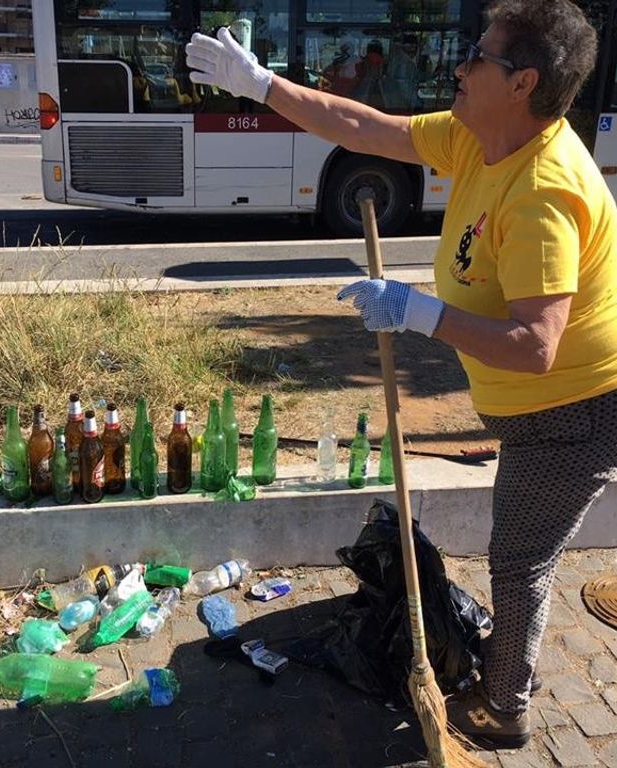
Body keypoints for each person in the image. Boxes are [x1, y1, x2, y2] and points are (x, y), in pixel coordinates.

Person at [186, 0, 617, 750]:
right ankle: (508, 668)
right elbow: (362, 127)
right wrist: (263, 87)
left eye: (478, 57)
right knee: (521, 549)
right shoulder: (477, 136)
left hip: (576, 410)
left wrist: (417, 313)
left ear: (522, 83)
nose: (459, 66)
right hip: (536, 409)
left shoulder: (543, 189)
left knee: (519, 559)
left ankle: (503, 706)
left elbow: (535, 345)